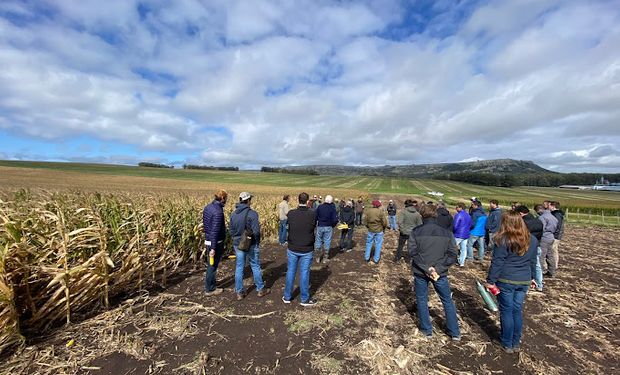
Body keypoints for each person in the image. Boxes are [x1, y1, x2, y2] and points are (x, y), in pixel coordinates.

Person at [485, 211, 538, 353]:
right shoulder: (531, 239)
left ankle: (507, 343)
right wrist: (533, 277)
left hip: (506, 279)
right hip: (524, 280)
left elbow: (497, 262)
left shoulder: (502, 240)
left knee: (507, 311)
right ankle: (515, 342)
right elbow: (533, 261)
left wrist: (490, 281)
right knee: (517, 310)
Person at [409, 204, 460, 340]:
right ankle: (455, 332)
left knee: (421, 299)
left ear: (422, 215)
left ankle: (427, 330)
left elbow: (413, 253)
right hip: (440, 273)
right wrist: (437, 268)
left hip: (421, 272)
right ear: (435, 215)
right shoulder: (447, 233)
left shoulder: (415, 231)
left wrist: (427, 268)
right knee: (447, 300)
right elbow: (452, 254)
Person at [229, 192, 269, 300]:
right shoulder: (253, 214)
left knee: (239, 267)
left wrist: (237, 240)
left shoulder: (233, 214)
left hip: (238, 245)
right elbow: (256, 232)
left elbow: (231, 231)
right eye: (250, 199)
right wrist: (256, 243)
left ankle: (239, 292)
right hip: (250, 244)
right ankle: (260, 289)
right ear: (248, 201)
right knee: (255, 266)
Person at [283, 192, 317, 306]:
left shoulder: (291, 213)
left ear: (298, 200)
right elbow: (313, 227)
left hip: (292, 247)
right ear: (307, 201)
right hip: (307, 248)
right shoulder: (312, 214)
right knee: (304, 273)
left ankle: (287, 297)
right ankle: (304, 299)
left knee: (291, 271)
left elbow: (288, 226)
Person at [202, 189, 228, 296]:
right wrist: (213, 248)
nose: (226, 201)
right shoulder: (218, 212)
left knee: (210, 265)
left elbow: (207, 225)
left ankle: (210, 283)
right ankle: (210, 289)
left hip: (208, 240)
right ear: (222, 198)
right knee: (212, 266)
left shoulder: (208, 207)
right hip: (215, 243)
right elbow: (215, 230)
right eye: (226, 198)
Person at [514, 205, 544, 292]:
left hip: (525, 246)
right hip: (537, 245)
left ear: (520, 213)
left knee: (525, 265)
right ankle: (539, 284)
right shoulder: (538, 221)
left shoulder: (523, 223)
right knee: (536, 265)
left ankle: (526, 285)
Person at [535, 204, 558, 277]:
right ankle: (552, 272)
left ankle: (540, 273)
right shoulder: (553, 217)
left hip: (544, 238)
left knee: (541, 256)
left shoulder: (542, 217)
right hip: (551, 237)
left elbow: (541, 228)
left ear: (539, 210)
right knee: (550, 255)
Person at [315, 195, 338, 263]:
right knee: (327, 242)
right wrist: (333, 225)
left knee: (318, 241)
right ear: (331, 201)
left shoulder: (320, 207)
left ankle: (318, 257)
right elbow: (335, 219)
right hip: (328, 226)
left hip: (320, 226)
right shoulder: (332, 208)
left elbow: (315, 216)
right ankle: (325, 258)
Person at [364, 200, 388, 264]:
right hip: (379, 230)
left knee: (369, 243)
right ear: (378, 205)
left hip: (371, 230)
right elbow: (385, 222)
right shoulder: (380, 212)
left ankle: (366, 257)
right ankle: (376, 259)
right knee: (378, 244)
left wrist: (368, 227)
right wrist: (383, 228)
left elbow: (365, 221)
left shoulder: (368, 211)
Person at [453, 202, 472, 266]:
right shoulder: (468, 215)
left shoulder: (458, 215)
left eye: (457, 207)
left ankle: (451, 260)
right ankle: (462, 263)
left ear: (460, 208)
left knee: (452, 247)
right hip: (466, 234)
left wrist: (453, 231)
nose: (456, 208)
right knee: (463, 249)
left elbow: (455, 225)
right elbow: (470, 225)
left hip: (458, 234)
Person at [549, 201, 564, 270]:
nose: (548, 207)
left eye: (549, 205)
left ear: (553, 206)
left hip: (555, 236)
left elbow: (557, 226)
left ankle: (554, 266)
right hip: (556, 235)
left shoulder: (557, 215)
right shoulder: (557, 214)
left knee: (553, 250)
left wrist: (553, 233)